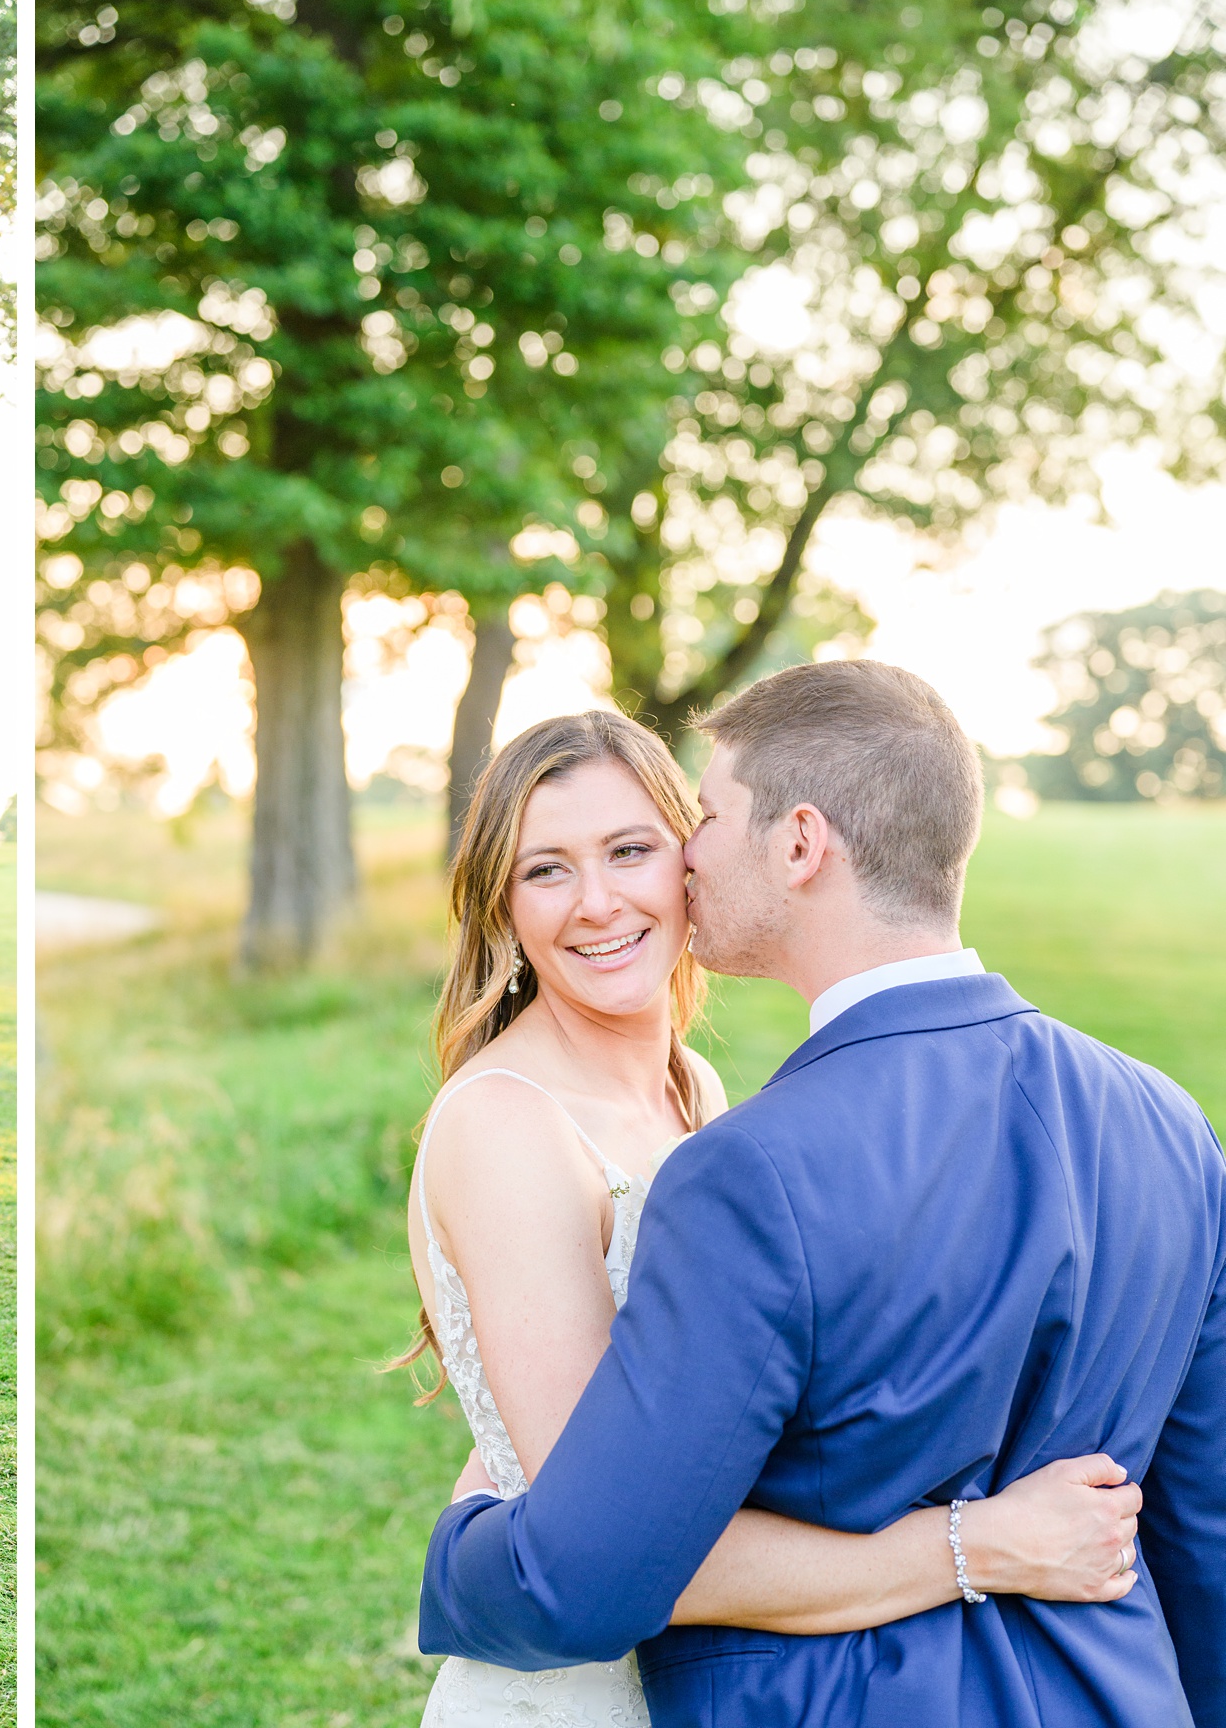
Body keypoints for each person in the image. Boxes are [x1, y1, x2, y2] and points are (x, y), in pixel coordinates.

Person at [412, 663, 1226, 1727]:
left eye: (662, 837)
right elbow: (1201, 1527)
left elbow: (588, 1552)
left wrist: (469, 1545)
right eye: (546, 870)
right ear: (502, 900)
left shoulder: (721, 1123)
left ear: (795, 843)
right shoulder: (1173, 1120)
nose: (606, 898)